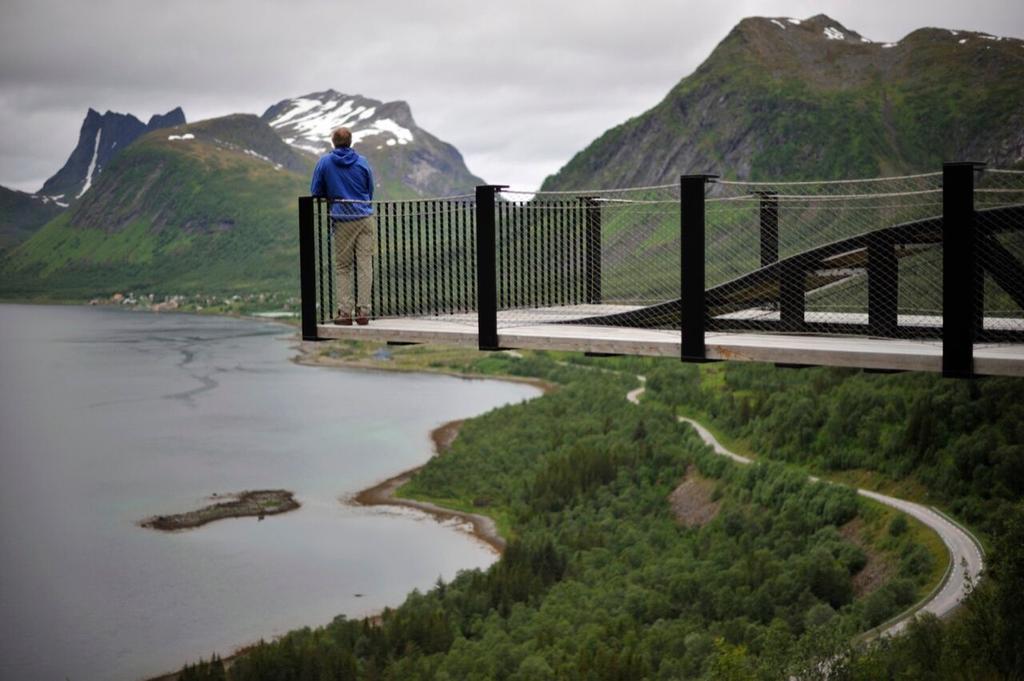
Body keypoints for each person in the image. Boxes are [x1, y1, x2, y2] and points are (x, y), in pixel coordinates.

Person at [310, 127, 376, 325]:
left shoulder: (325, 162)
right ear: (350, 141)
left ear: (333, 142)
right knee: (365, 266)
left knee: (343, 267)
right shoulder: (362, 161)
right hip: (365, 217)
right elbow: (370, 189)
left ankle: (345, 313)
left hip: (343, 219)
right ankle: (364, 312)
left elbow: (315, 191)